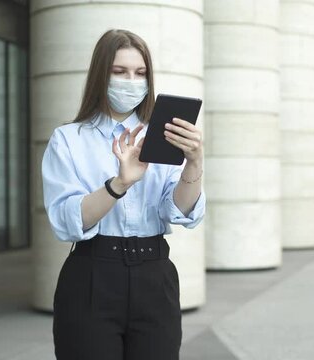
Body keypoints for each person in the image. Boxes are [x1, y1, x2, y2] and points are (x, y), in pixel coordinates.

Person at [41, 29, 206, 360]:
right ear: (101, 74)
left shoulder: (162, 137)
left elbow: (180, 212)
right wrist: (119, 184)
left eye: (140, 72)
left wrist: (194, 161)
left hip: (154, 273)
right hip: (91, 274)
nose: (131, 80)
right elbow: (66, 221)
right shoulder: (68, 139)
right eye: (120, 71)